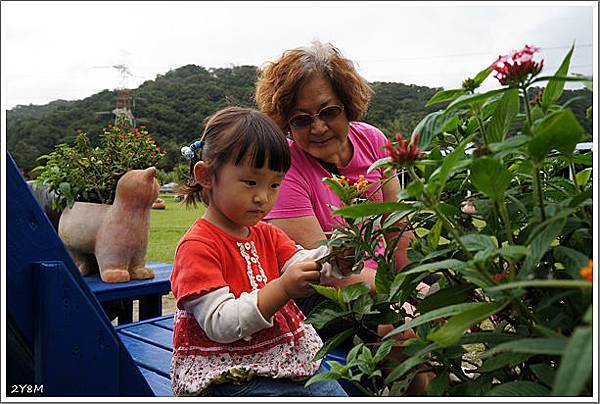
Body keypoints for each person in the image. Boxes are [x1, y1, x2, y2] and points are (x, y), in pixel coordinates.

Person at [170, 106, 356, 397]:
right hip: (227, 374)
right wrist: (283, 287)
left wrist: (337, 258)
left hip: (286, 359)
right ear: (206, 176)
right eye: (250, 182)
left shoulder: (266, 233)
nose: (263, 197)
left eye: (274, 185)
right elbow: (221, 323)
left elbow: (302, 261)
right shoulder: (198, 246)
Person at [255, 41, 420, 338]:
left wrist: (416, 283)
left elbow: (399, 226)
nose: (317, 128)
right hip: (325, 294)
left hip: (386, 281)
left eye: (328, 112)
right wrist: (399, 296)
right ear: (286, 123)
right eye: (301, 119)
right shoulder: (285, 166)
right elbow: (323, 268)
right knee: (404, 327)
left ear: (347, 105)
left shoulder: (373, 139)